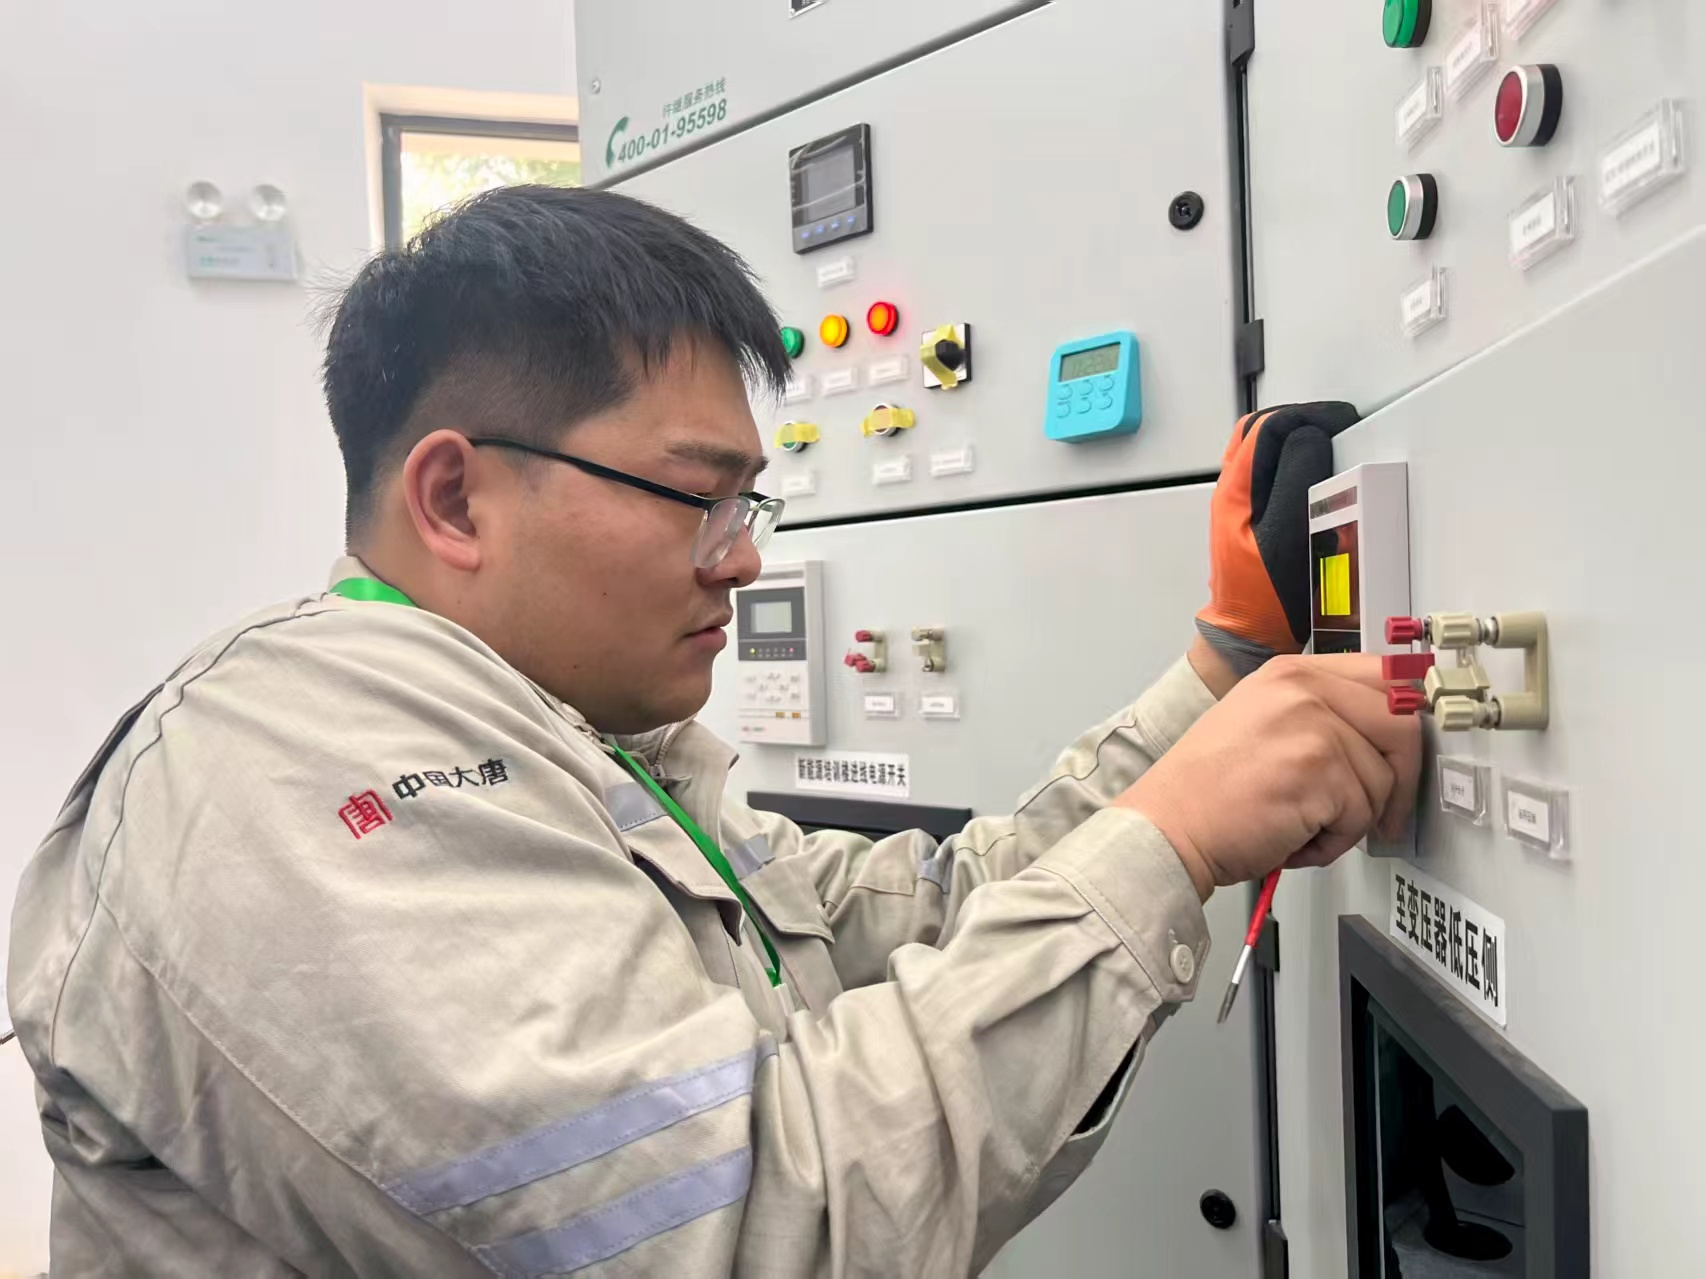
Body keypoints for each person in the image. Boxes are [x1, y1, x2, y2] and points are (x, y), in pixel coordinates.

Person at [6, 186, 1417, 1277]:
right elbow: (750, 1236)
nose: (742, 559)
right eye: (699, 497)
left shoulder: (572, 749)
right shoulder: (280, 777)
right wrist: (1168, 844)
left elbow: (914, 923)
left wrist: (1218, 675)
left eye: (748, 504)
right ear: (454, 499)